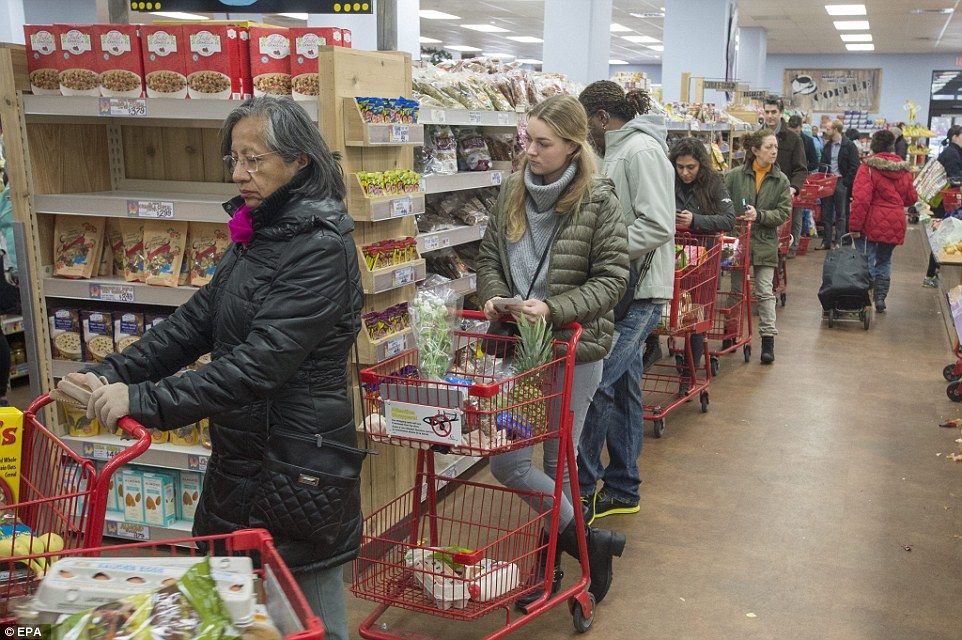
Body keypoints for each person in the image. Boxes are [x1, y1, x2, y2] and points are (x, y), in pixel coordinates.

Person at [60, 96, 365, 640]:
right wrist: (112, 373)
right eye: (234, 159)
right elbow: (193, 324)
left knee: (311, 612)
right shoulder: (260, 233)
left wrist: (144, 401)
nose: (239, 173)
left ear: (300, 161)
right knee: (239, 609)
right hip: (244, 453)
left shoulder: (319, 246)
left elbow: (259, 366)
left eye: (254, 159)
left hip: (300, 460)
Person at [477, 94, 629, 607]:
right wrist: (494, 297)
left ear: (572, 145)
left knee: (556, 463)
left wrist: (553, 308)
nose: (531, 152)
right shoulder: (510, 192)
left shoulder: (599, 199)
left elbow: (612, 279)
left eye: (543, 143)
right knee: (511, 463)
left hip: (573, 351)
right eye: (527, 140)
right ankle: (592, 546)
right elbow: (488, 257)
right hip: (516, 350)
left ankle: (549, 573)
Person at [577, 81, 674, 523]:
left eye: (584, 122)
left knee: (596, 384)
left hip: (640, 291)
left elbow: (657, 225)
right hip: (619, 289)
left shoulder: (640, 152)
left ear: (600, 116)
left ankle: (580, 489)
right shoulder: (616, 151)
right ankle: (622, 488)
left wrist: (603, 249)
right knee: (626, 388)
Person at [723, 129, 792, 364]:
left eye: (775, 147)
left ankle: (767, 340)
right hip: (739, 242)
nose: (774, 151)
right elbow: (722, 204)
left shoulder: (780, 180)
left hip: (764, 242)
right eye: (768, 147)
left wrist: (759, 215)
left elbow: (783, 213)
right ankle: (729, 334)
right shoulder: (733, 176)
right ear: (754, 151)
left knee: (764, 292)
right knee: (735, 292)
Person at [671, 136, 736, 369]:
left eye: (691, 167)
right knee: (665, 311)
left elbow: (729, 218)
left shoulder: (714, 182)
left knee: (696, 314)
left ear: (701, 164)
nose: (685, 173)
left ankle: (690, 369)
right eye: (680, 167)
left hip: (702, 259)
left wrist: (695, 220)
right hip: (672, 257)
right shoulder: (669, 180)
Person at [849, 130, 918, 313]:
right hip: (896, 221)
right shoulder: (903, 170)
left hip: (872, 221)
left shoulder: (868, 168)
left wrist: (854, 226)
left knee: (867, 259)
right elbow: (911, 198)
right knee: (885, 259)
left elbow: (861, 200)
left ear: (873, 146)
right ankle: (880, 299)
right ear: (891, 147)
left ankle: (866, 299)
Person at [923, 125, 962, 287]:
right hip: (948, 203)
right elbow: (955, 179)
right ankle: (930, 275)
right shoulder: (952, 153)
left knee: (944, 234)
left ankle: (932, 274)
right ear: (955, 136)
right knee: (942, 235)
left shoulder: (952, 151)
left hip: (946, 202)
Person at [817, 120, 860, 250]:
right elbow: (823, 163)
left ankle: (839, 242)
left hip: (841, 181)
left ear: (835, 129)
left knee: (841, 213)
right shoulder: (827, 145)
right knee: (826, 212)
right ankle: (826, 241)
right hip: (828, 181)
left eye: (828, 128)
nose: (826, 131)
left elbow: (854, 166)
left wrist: (846, 182)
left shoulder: (849, 146)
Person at [761, 96, 808, 197]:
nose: (770, 116)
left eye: (774, 112)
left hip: (783, 194)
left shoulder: (793, 139)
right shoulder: (756, 137)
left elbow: (800, 169)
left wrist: (794, 187)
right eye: (767, 112)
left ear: (781, 112)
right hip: (759, 192)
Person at [787, 115, 819, 256]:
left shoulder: (808, 141)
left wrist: (803, 169)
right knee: (783, 216)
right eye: (791, 131)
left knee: (797, 215)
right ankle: (782, 246)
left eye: (796, 131)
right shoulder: (783, 139)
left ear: (800, 127)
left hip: (800, 182)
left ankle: (793, 247)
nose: (794, 134)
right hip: (784, 181)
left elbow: (815, 162)